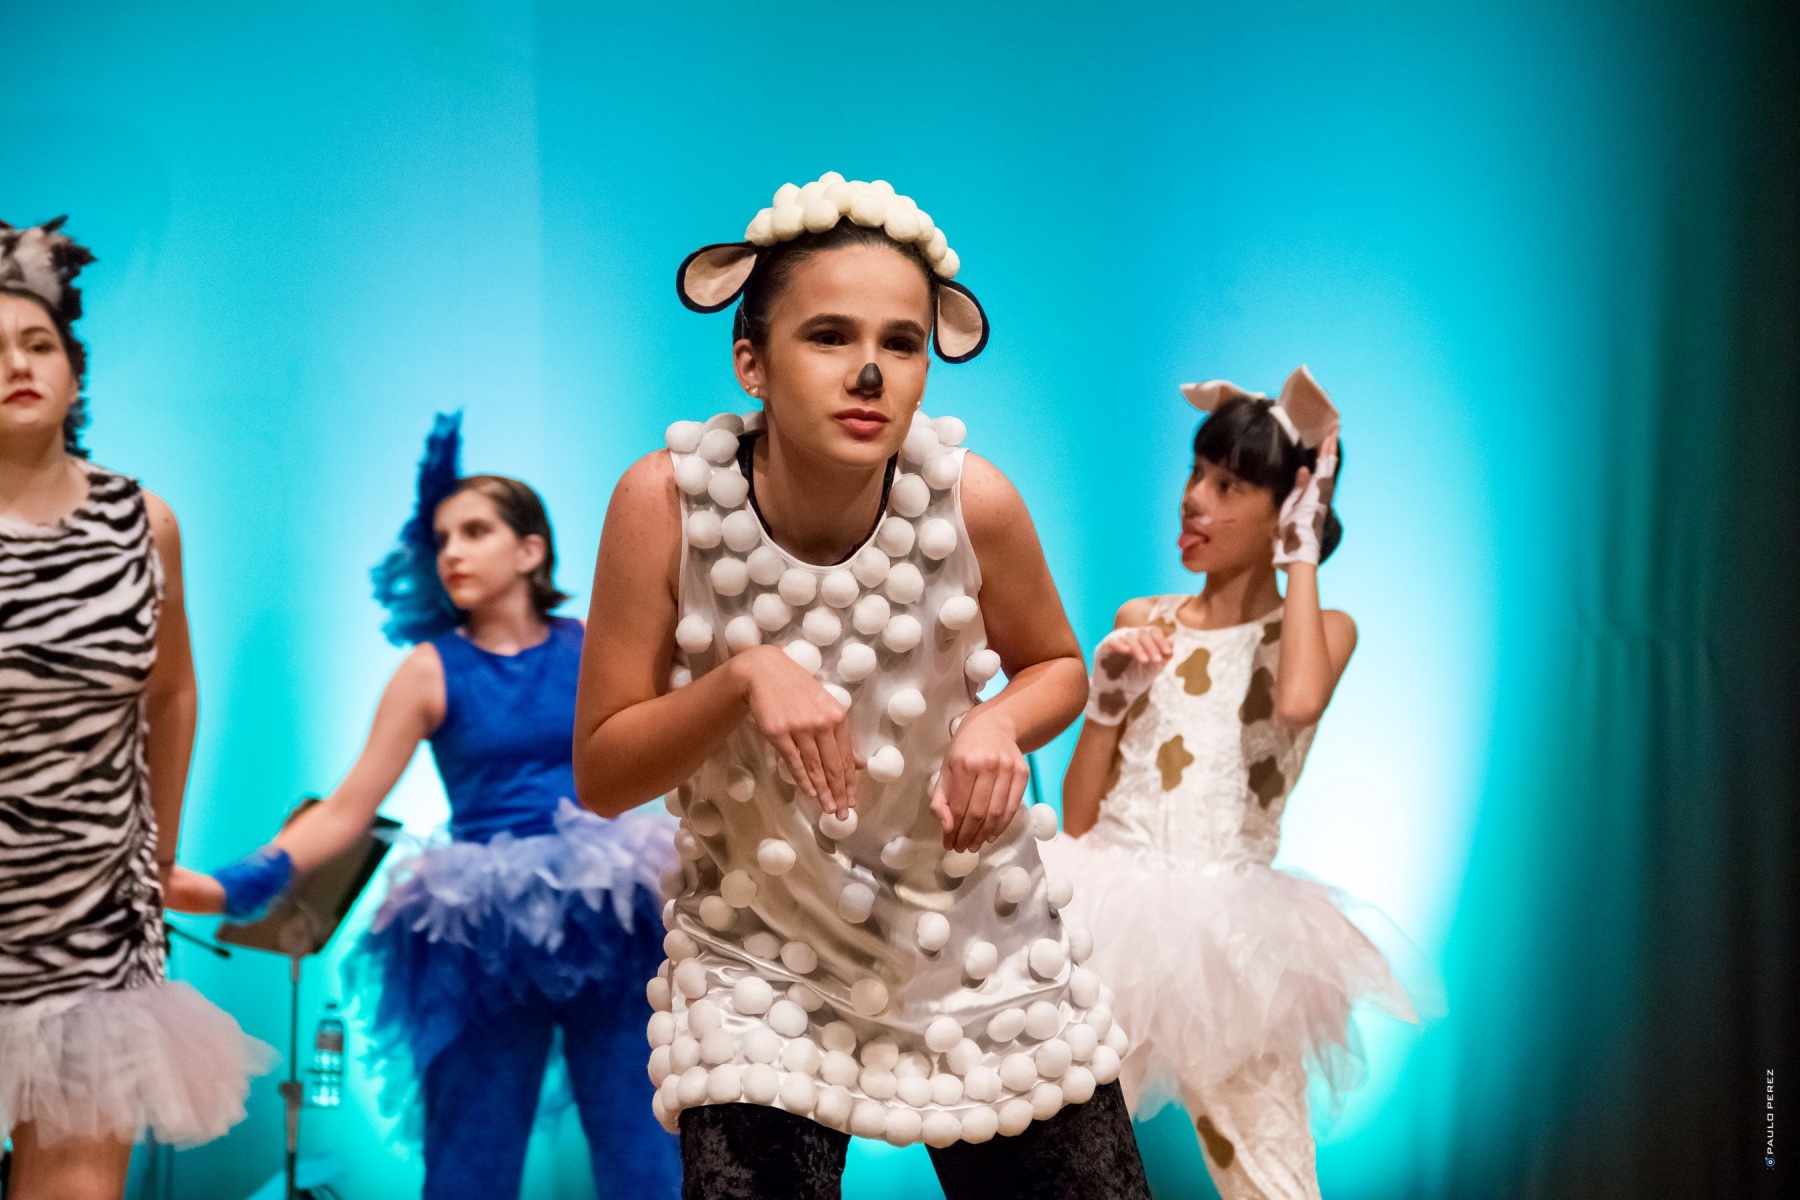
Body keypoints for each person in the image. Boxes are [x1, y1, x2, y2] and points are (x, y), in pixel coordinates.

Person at [574, 172, 1151, 1199]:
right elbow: (605, 774)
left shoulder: (972, 500)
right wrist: (743, 677)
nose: (871, 373)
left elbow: (1056, 666)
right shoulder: (666, 502)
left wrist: (999, 726)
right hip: (758, 960)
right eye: (829, 336)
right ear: (751, 361)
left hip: (976, 943)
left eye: (901, 342)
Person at [169, 415, 678, 1199]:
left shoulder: (588, 643)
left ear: (531, 550)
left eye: (475, 532)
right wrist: (236, 884)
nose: (452, 553)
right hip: (482, 931)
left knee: (646, 1153)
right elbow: (347, 809)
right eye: (442, 539)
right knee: (470, 1161)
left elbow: (665, 741)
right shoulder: (430, 669)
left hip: (609, 912)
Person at [1042, 369, 1418, 1200]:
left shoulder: (1321, 632)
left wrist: (1302, 549)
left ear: (1286, 508)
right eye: (1196, 473)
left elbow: (1298, 701)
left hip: (1231, 944)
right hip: (1107, 919)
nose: (1194, 499)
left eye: (1229, 485)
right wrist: (1107, 700)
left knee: (1271, 1178)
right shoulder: (1145, 622)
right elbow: (1079, 819)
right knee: (1059, 1161)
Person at [0, 217, 270, 1200]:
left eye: (38, 343)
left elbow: (172, 690)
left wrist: (156, 859)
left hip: (93, 912)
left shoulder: (141, 521)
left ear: (74, 371)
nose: (18, 365)